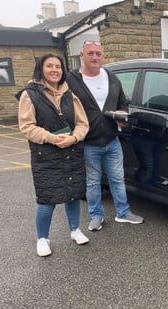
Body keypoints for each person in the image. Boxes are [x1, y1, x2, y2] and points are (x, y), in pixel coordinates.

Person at [17, 53, 90, 257]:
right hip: (45, 155)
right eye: (49, 66)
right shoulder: (29, 94)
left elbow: (83, 123)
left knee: (73, 194)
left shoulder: (70, 94)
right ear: (41, 68)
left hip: (72, 151)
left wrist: (74, 138)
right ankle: (42, 238)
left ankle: (75, 229)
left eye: (58, 66)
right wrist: (51, 138)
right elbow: (26, 126)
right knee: (47, 198)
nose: (54, 70)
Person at [66, 40, 144, 231]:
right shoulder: (71, 80)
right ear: (81, 55)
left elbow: (123, 102)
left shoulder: (111, 77)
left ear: (103, 56)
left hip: (111, 139)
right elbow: (62, 107)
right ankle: (96, 216)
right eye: (90, 53)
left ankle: (123, 213)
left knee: (118, 178)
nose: (95, 57)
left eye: (98, 54)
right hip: (88, 142)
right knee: (93, 182)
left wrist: (121, 114)